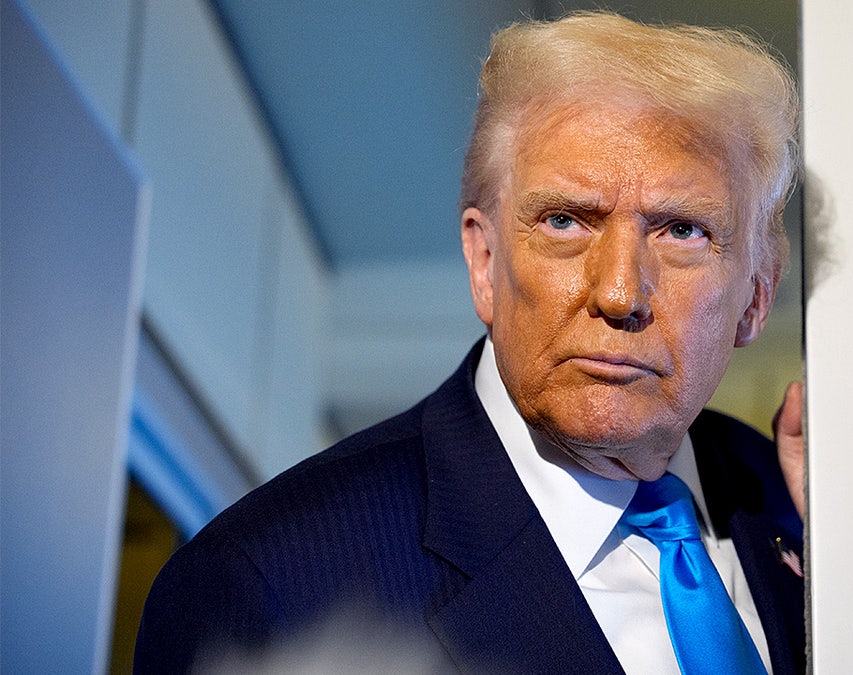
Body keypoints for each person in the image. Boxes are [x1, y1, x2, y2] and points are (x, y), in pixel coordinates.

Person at [135, 11, 806, 674]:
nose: (620, 292)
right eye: (566, 220)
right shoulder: (269, 585)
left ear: (755, 297)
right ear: (485, 261)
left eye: (684, 231)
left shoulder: (810, 508)